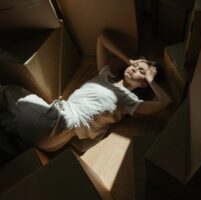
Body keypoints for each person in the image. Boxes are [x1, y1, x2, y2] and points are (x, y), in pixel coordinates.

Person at [0, 30, 172, 152]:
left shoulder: (130, 101)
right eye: (135, 66)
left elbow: (166, 103)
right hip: (52, 140)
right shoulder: (105, 74)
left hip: (59, 123)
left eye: (141, 72)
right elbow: (102, 39)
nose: (135, 69)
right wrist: (130, 60)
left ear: (143, 85)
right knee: (7, 120)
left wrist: (151, 79)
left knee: (8, 91)